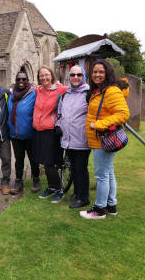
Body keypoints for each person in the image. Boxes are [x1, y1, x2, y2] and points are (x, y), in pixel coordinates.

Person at [80, 59, 130, 219]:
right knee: (108, 173)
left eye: (101, 72)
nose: (97, 74)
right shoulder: (100, 90)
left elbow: (123, 114)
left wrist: (99, 124)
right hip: (99, 140)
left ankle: (99, 209)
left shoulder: (111, 91)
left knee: (101, 175)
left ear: (107, 73)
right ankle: (111, 205)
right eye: (95, 72)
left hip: (103, 139)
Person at [55, 65, 91, 209]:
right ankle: (76, 193)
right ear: (68, 77)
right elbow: (60, 114)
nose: (75, 77)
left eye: (79, 75)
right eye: (73, 75)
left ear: (84, 77)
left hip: (81, 138)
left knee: (81, 168)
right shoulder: (65, 94)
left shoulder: (88, 93)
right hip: (67, 139)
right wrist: (58, 125)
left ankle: (84, 197)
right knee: (74, 169)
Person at [33, 66, 67, 203]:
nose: (44, 78)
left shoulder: (60, 89)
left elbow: (76, 89)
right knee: (44, 162)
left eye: (46, 75)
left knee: (49, 163)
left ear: (52, 76)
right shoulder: (38, 90)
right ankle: (52, 187)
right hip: (38, 131)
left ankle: (59, 190)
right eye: (41, 76)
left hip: (51, 131)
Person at [7, 71, 40, 194]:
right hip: (15, 134)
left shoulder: (33, 93)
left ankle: (36, 179)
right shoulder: (10, 94)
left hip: (29, 134)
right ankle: (18, 180)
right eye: (19, 79)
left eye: (24, 79)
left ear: (28, 80)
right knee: (19, 159)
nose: (21, 82)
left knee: (33, 158)